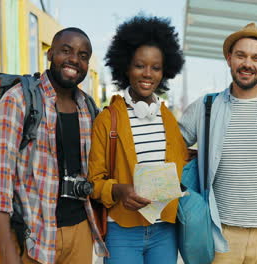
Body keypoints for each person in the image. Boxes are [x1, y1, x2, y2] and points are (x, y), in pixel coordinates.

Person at [179, 23, 257, 264]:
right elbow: (171, 146)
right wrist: (193, 157)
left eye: (256, 58)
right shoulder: (206, 106)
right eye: (241, 55)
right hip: (221, 231)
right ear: (229, 59)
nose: (248, 64)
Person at [0, 27, 108, 264]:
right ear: (50, 54)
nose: (74, 59)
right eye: (66, 51)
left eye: (83, 55)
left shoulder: (88, 107)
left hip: (79, 232)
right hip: (31, 236)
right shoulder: (19, 99)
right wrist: (5, 244)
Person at [88, 16, 187, 264]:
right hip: (121, 231)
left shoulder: (168, 119)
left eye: (156, 67)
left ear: (165, 72)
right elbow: (93, 182)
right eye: (139, 65)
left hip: (164, 230)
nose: (147, 74)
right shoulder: (107, 120)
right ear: (126, 67)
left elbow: (181, 166)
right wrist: (119, 190)